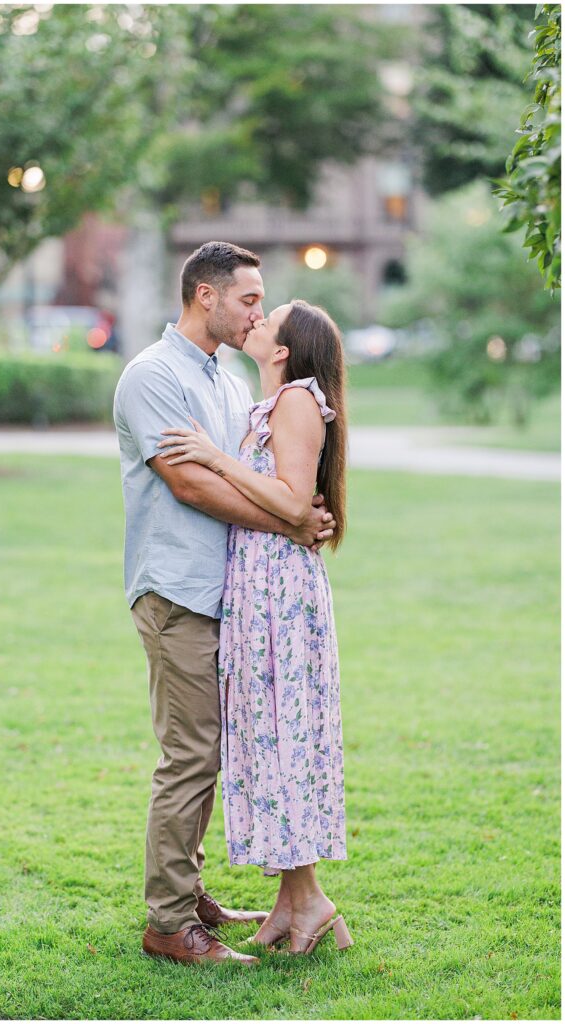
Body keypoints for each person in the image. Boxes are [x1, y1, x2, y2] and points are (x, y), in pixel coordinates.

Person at [113, 243, 337, 966]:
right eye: (247, 299)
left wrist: (295, 511)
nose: (255, 313)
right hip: (177, 588)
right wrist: (293, 521)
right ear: (204, 295)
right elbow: (193, 484)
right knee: (190, 754)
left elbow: (257, 474)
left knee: (213, 750)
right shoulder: (151, 376)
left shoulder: (231, 377)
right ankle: (169, 923)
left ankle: (191, 893)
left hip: (234, 596)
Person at [157, 299, 353, 956]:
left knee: (284, 736)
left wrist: (213, 458)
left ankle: (310, 902)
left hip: (280, 594)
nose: (258, 316)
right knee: (272, 738)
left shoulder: (298, 399)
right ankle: (295, 904)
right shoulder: (269, 402)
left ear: (284, 348)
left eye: (271, 314)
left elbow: (294, 503)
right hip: (257, 588)